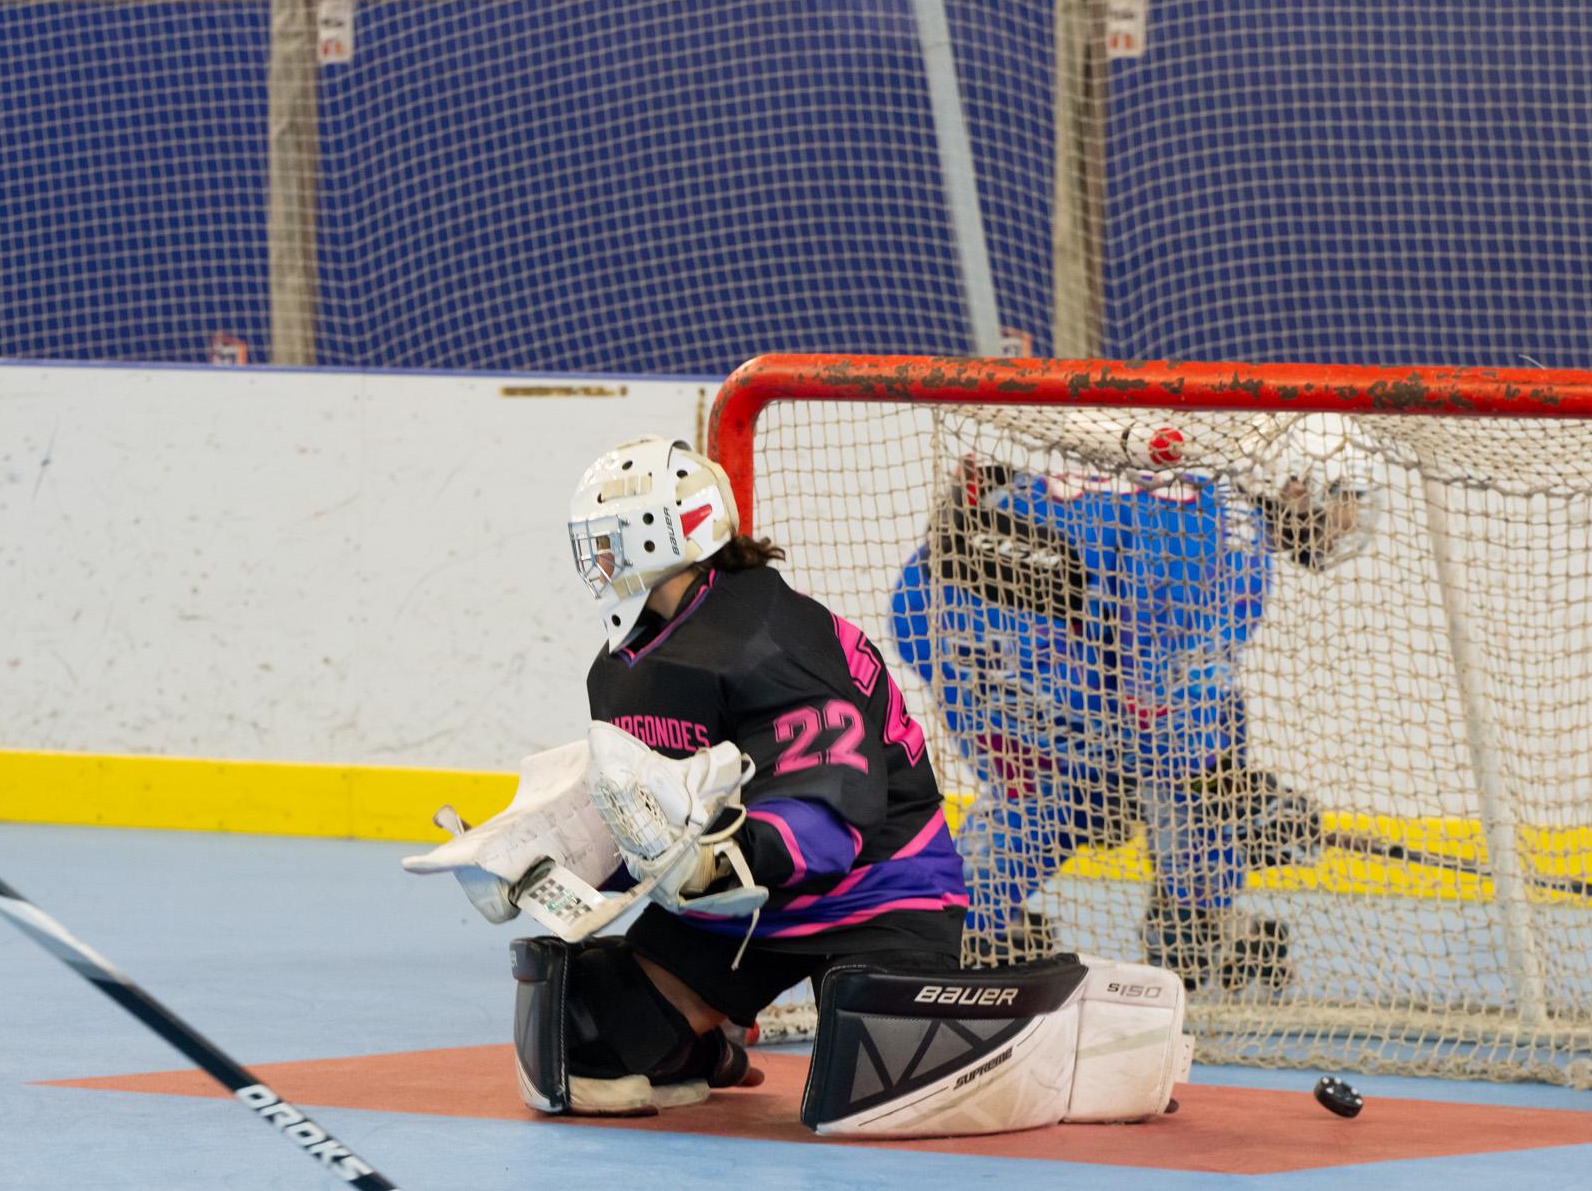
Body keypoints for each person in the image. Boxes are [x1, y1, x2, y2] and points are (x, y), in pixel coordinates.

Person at [539, 434, 968, 1115]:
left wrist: (723, 859)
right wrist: (548, 861)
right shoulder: (622, 665)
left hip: (878, 894)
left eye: (608, 537)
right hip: (744, 907)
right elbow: (643, 813)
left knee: (876, 1082)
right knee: (581, 1030)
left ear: (663, 537)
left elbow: (834, 808)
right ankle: (699, 1049)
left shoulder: (770, 634)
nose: (594, 558)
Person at [890, 413, 1370, 990]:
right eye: (1348, 498)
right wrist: (1233, 795)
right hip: (980, 636)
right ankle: (953, 930)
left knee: (1204, 732)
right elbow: (1155, 698)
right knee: (1059, 789)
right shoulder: (1228, 548)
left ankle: (1191, 918)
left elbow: (1166, 686)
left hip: (992, 624)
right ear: (1298, 483)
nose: (1350, 521)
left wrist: (1223, 784)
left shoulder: (1226, 517)